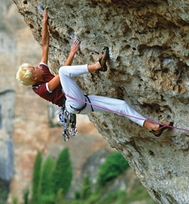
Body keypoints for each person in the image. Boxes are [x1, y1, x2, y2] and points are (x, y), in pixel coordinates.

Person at [16, 9, 173, 137]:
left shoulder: (41, 71)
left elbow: (45, 45)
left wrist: (44, 22)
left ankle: (152, 127)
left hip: (83, 103)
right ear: (34, 77)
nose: (36, 66)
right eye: (33, 68)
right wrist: (72, 53)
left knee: (121, 105)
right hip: (72, 104)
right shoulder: (41, 89)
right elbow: (61, 77)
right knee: (63, 71)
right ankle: (98, 65)